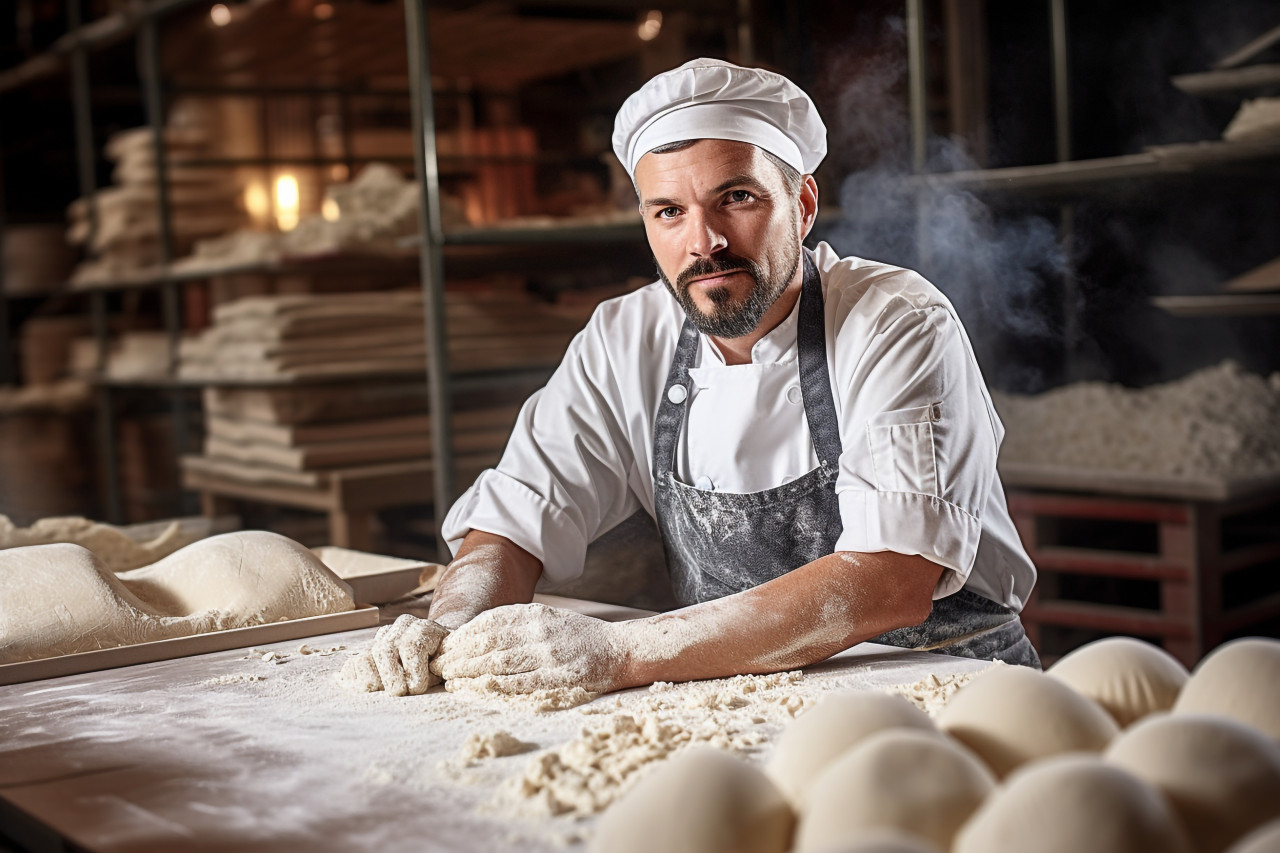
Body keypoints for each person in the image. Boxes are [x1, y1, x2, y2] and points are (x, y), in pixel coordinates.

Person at [358, 58, 1039, 700]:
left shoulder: (894, 321)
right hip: (747, 699)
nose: (704, 239)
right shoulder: (625, 339)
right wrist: (448, 622)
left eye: (735, 197)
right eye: (670, 212)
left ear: (802, 204)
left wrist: (619, 651)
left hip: (945, 689)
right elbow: (514, 521)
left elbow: (892, 578)